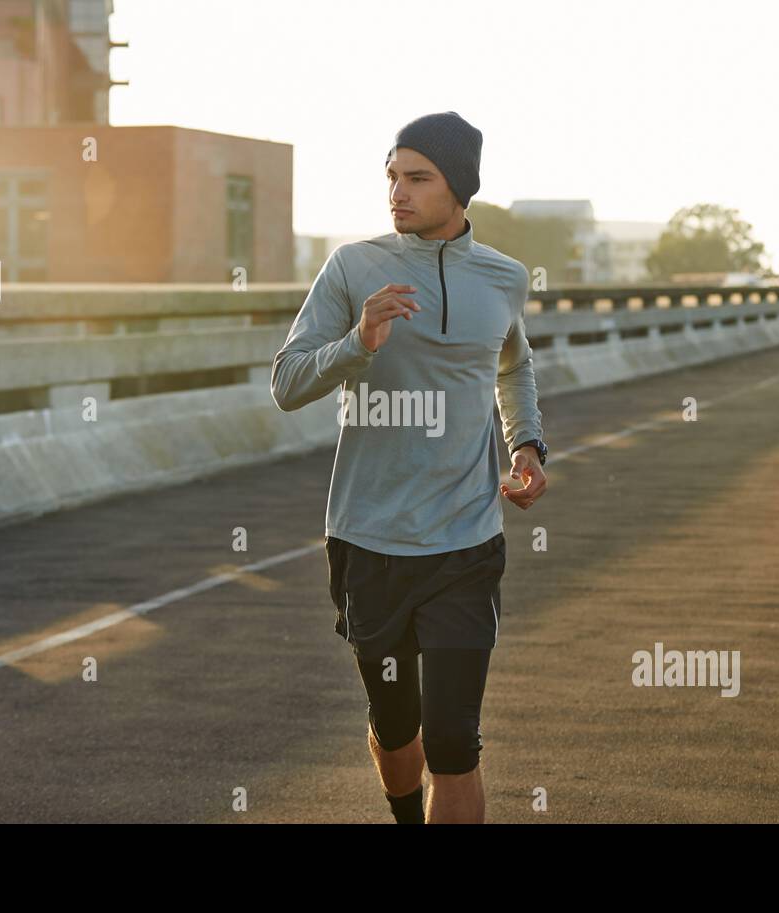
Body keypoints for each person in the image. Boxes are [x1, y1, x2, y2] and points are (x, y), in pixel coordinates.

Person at [271, 111, 548, 824]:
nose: (398, 190)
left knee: (454, 740)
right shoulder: (352, 267)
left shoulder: (504, 277)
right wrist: (358, 340)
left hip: (466, 540)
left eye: (417, 177)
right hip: (369, 539)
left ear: (460, 187)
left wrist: (526, 444)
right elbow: (288, 382)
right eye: (392, 174)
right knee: (397, 726)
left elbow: (512, 366)